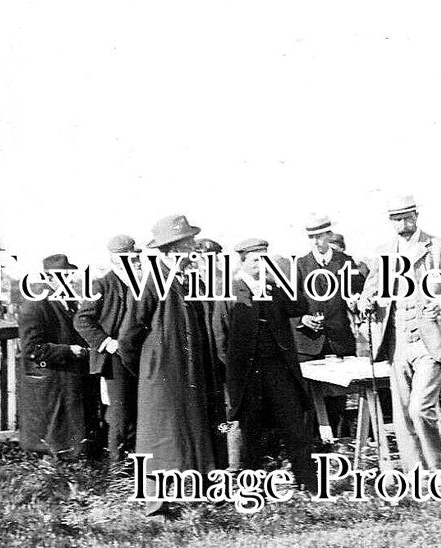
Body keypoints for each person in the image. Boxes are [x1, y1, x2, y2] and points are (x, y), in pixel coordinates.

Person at [358, 195, 441, 473]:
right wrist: (365, 303)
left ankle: (440, 471)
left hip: (428, 341)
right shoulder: (384, 253)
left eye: (407, 217)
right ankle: (415, 473)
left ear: (416, 216)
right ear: (390, 222)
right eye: (397, 219)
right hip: (396, 342)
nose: (403, 223)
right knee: (403, 413)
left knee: (421, 408)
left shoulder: (439, 248)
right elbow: (367, 293)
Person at [118, 214, 221, 516]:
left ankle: (204, 494)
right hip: (160, 374)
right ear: (171, 250)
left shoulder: (188, 279)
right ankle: (156, 503)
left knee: (191, 429)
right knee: (158, 435)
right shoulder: (151, 282)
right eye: (188, 246)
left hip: (187, 370)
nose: (194, 251)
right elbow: (129, 335)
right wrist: (147, 369)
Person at [213, 239, 319, 490]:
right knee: (251, 432)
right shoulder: (229, 290)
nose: (261, 266)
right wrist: (236, 372)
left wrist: (277, 279)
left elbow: (300, 305)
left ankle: (309, 483)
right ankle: (253, 488)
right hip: (248, 376)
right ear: (243, 262)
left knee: (295, 426)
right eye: (255, 261)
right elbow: (220, 339)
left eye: (265, 260)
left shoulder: (272, 288)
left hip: (279, 371)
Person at [17, 254, 100, 459]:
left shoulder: (69, 301)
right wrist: (68, 351)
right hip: (51, 381)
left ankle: (73, 467)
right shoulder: (35, 305)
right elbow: (32, 348)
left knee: (70, 433)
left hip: (68, 377)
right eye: (65, 276)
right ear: (50, 279)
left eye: (71, 275)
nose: (71, 280)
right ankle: (54, 472)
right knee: (54, 436)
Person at [291, 215, 363, 435]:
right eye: (311, 237)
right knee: (309, 398)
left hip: (339, 341)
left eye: (319, 237)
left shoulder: (346, 262)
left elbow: (357, 295)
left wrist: (355, 300)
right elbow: (288, 304)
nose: (315, 242)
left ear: (329, 235)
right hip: (308, 343)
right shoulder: (299, 265)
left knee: (338, 398)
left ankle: (339, 446)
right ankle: (313, 445)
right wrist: (302, 318)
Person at [73, 234, 141, 464]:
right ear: (114, 259)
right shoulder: (101, 284)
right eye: (123, 257)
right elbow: (82, 320)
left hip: (136, 356)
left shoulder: (139, 283)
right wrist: (107, 343)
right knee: (120, 414)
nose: (131, 262)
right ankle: (117, 468)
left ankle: (132, 463)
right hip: (114, 361)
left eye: (132, 257)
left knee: (136, 410)